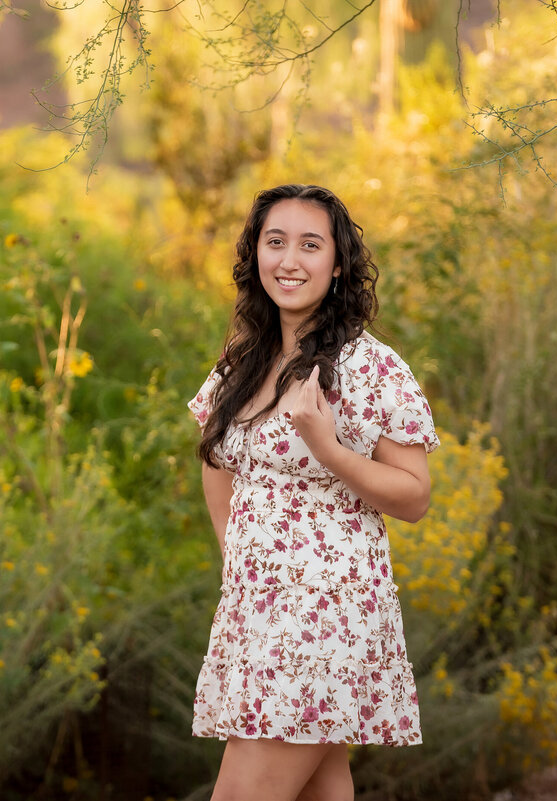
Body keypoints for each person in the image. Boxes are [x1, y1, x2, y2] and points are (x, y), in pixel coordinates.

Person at [188, 184, 438, 801]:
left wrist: (328, 447)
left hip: (326, 617)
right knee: (320, 789)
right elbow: (217, 460)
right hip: (257, 613)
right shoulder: (242, 362)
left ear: (337, 262)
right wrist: (240, 563)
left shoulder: (370, 367)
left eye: (309, 244)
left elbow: (413, 497)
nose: (289, 261)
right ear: (256, 255)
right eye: (275, 242)